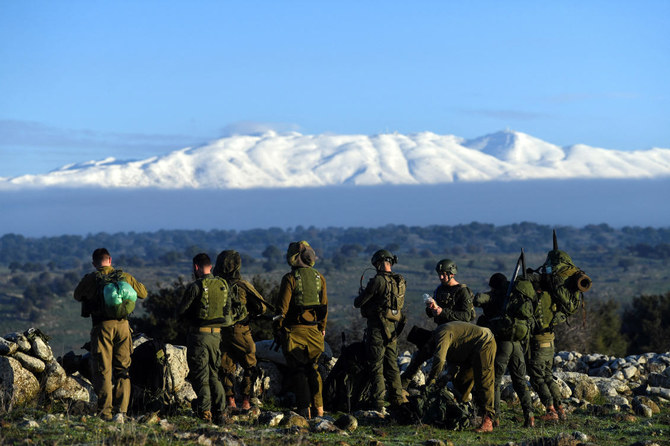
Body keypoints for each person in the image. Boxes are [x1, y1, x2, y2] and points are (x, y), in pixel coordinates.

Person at [74, 248, 147, 423]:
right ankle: (121, 411)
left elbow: (77, 295)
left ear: (94, 263)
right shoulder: (124, 277)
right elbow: (143, 293)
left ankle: (105, 412)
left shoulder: (91, 279)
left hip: (102, 327)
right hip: (123, 326)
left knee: (103, 370)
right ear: (110, 260)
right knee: (123, 369)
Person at [274, 241, 328, 419]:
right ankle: (319, 409)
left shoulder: (290, 279)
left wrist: (277, 329)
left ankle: (304, 411)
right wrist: (322, 329)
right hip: (315, 332)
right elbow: (324, 307)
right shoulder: (320, 278)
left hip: (294, 333)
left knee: (299, 372)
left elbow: (281, 310)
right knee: (314, 370)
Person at [401, 258, 475, 386]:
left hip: (457, 335)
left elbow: (467, 316)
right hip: (440, 331)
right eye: (439, 274)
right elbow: (434, 313)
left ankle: (437, 387)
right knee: (419, 357)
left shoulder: (462, 291)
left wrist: (443, 312)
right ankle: (402, 385)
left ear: (451, 274)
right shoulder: (439, 289)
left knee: (449, 367)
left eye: (444, 274)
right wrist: (431, 309)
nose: (441, 277)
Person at [474, 273, 535, 427]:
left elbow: (478, 300)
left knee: (494, 381)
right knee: (520, 381)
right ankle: (530, 416)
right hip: (517, 343)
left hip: (503, 344)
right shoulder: (515, 296)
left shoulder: (496, 296)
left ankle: (495, 418)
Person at [177, 253, 229, 424]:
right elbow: (227, 310)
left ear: (196, 267)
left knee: (201, 374)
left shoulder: (196, 286)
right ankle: (221, 411)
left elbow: (181, 311)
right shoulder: (223, 285)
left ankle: (205, 411)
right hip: (217, 336)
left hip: (199, 335)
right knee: (214, 373)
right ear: (211, 266)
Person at [213, 250, 268, 411]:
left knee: (226, 366)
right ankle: (246, 400)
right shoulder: (242, 285)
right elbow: (262, 306)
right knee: (250, 365)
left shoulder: (215, 285)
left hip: (220, 331)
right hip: (241, 331)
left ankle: (230, 400)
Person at [354, 249, 407, 414]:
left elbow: (358, 303)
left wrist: (362, 295)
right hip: (393, 330)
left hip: (377, 329)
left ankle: (377, 403)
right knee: (392, 366)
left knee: (376, 366)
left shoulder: (378, 281)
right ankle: (398, 400)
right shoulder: (400, 281)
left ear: (378, 263)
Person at [424, 321, 497, 433]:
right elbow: (455, 360)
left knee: (484, 381)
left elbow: (440, 359)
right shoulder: (444, 338)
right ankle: (465, 414)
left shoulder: (442, 334)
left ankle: (488, 420)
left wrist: (431, 380)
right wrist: (447, 377)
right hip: (471, 350)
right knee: (461, 381)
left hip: (485, 342)